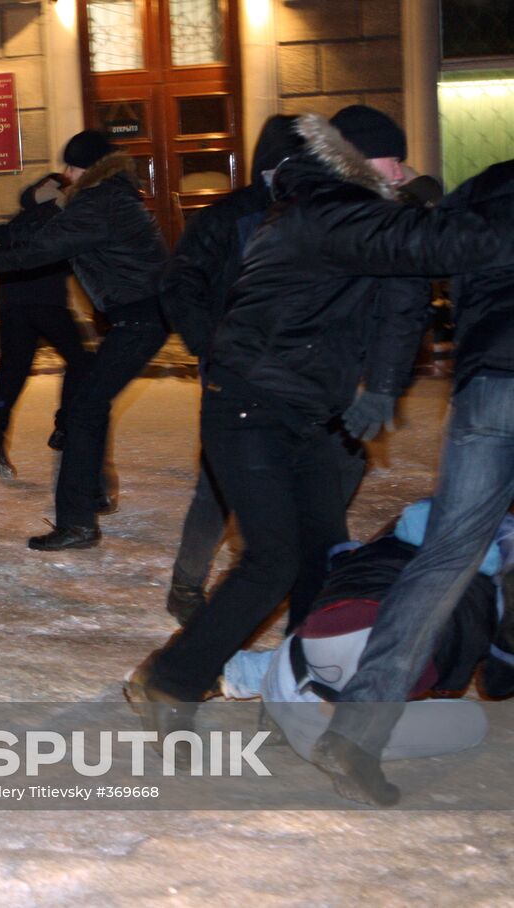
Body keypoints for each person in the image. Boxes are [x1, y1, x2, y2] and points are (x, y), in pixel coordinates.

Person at [127, 110, 514, 740]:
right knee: (274, 558)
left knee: (321, 557)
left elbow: (404, 295)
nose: (407, 171)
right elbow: (438, 249)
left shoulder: (356, 212)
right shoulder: (328, 208)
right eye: (395, 161)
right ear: (361, 160)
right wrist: (462, 218)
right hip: (248, 404)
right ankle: (169, 679)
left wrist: (384, 385)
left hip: (305, 410)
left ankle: (294, 679)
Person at [312, 157, 514, 806]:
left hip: (484, 387)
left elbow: (438, 272)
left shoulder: (477, 195)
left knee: (444, 560)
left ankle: (356, 732)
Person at [160, 115, 370, 624]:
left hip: (306, 382)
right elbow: (178, 284)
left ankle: (308, 568)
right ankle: (187, 583)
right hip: (239, 382)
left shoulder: (322, 212)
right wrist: (211, 346)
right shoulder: (226, 218)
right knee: (217, 489)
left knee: (341, 465)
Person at [0, 130, 169, 550]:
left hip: (139, 321)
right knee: (87, 407)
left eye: (72, 167)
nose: (67, 174)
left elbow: (32, 253)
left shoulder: (98, 203)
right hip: (144, 317)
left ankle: (78, 521)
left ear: (89, 168)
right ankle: (89, 498)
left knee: (83, 411)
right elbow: (32, 240)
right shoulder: (113, 196)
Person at [220, 501, 514, 764]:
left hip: (290, 670)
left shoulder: (396, 535)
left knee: (343, 635)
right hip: (332, 722)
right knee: (472, 721)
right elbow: (496, 684)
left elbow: (336, 564)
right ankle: (335, 732)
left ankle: (236, 674)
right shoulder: (499, 579)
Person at [0, 173, 89, 480]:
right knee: (81, 361)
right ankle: (65, 425)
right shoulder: (63, 218)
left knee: (12, 372)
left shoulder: (20, 219)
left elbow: (0, 243)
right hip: (48, 303)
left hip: (13, 305)